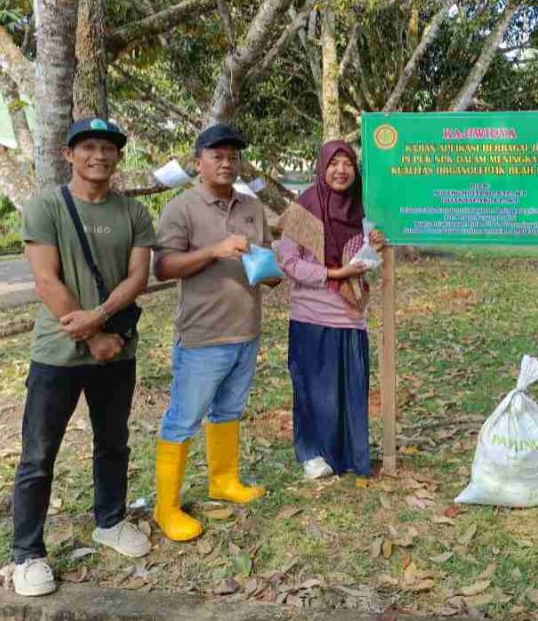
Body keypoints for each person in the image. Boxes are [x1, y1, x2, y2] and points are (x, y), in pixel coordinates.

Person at [12, 119, 155, 597]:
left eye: (108, 148)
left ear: (118, 157)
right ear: (67, 153)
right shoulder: (46, 207)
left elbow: (138, 277)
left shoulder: (133, 212)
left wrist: (103, 320)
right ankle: (27, 553)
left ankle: (109, 520)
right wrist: (92, 333)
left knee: (113, 441)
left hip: (118, 350)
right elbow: (46, 280)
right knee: (38, 454)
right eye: (88, 147)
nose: (99, 155)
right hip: (58, 352)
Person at [152, 124, 279, 542]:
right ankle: (166, 507)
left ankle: (223, 481)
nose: (226, 163)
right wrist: (214, 251)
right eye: (217, 156)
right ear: (198, 163)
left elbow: (263, 259)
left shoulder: (251, 207)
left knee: (228, 411)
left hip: (246, 329)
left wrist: (270, 271)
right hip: (203, 335)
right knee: (183, 420)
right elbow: (164, 268)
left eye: (233, 157)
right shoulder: (182, 208)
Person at [277, 140, 384, 479]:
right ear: (322, 168)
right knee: (313, 388)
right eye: (334, 163)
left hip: (351, 316)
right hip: (312, 316)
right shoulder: (306, 208)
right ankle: (312, 455)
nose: (341, 170)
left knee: (349, 388)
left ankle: (348, 453)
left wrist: (376, 248)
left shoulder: (364, 210)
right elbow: (289, 262)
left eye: (348, 163)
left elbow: (371, 262)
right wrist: (335, 273)